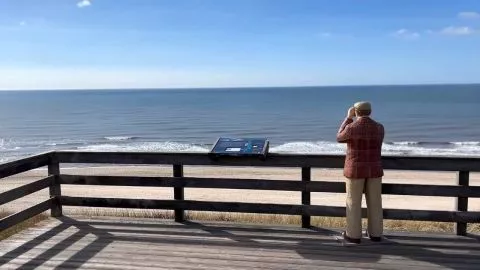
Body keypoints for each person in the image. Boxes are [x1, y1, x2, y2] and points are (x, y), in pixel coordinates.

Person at [336, 101, 385, 244]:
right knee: (375, 202)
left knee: (353, 202)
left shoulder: (351, 127)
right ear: (370, 111)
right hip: (374, 169)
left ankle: (353, 235)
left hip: (355, 170)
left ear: (356, 111)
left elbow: (339, 137)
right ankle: (376, 234)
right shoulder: (379, 128)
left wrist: (348, 118)